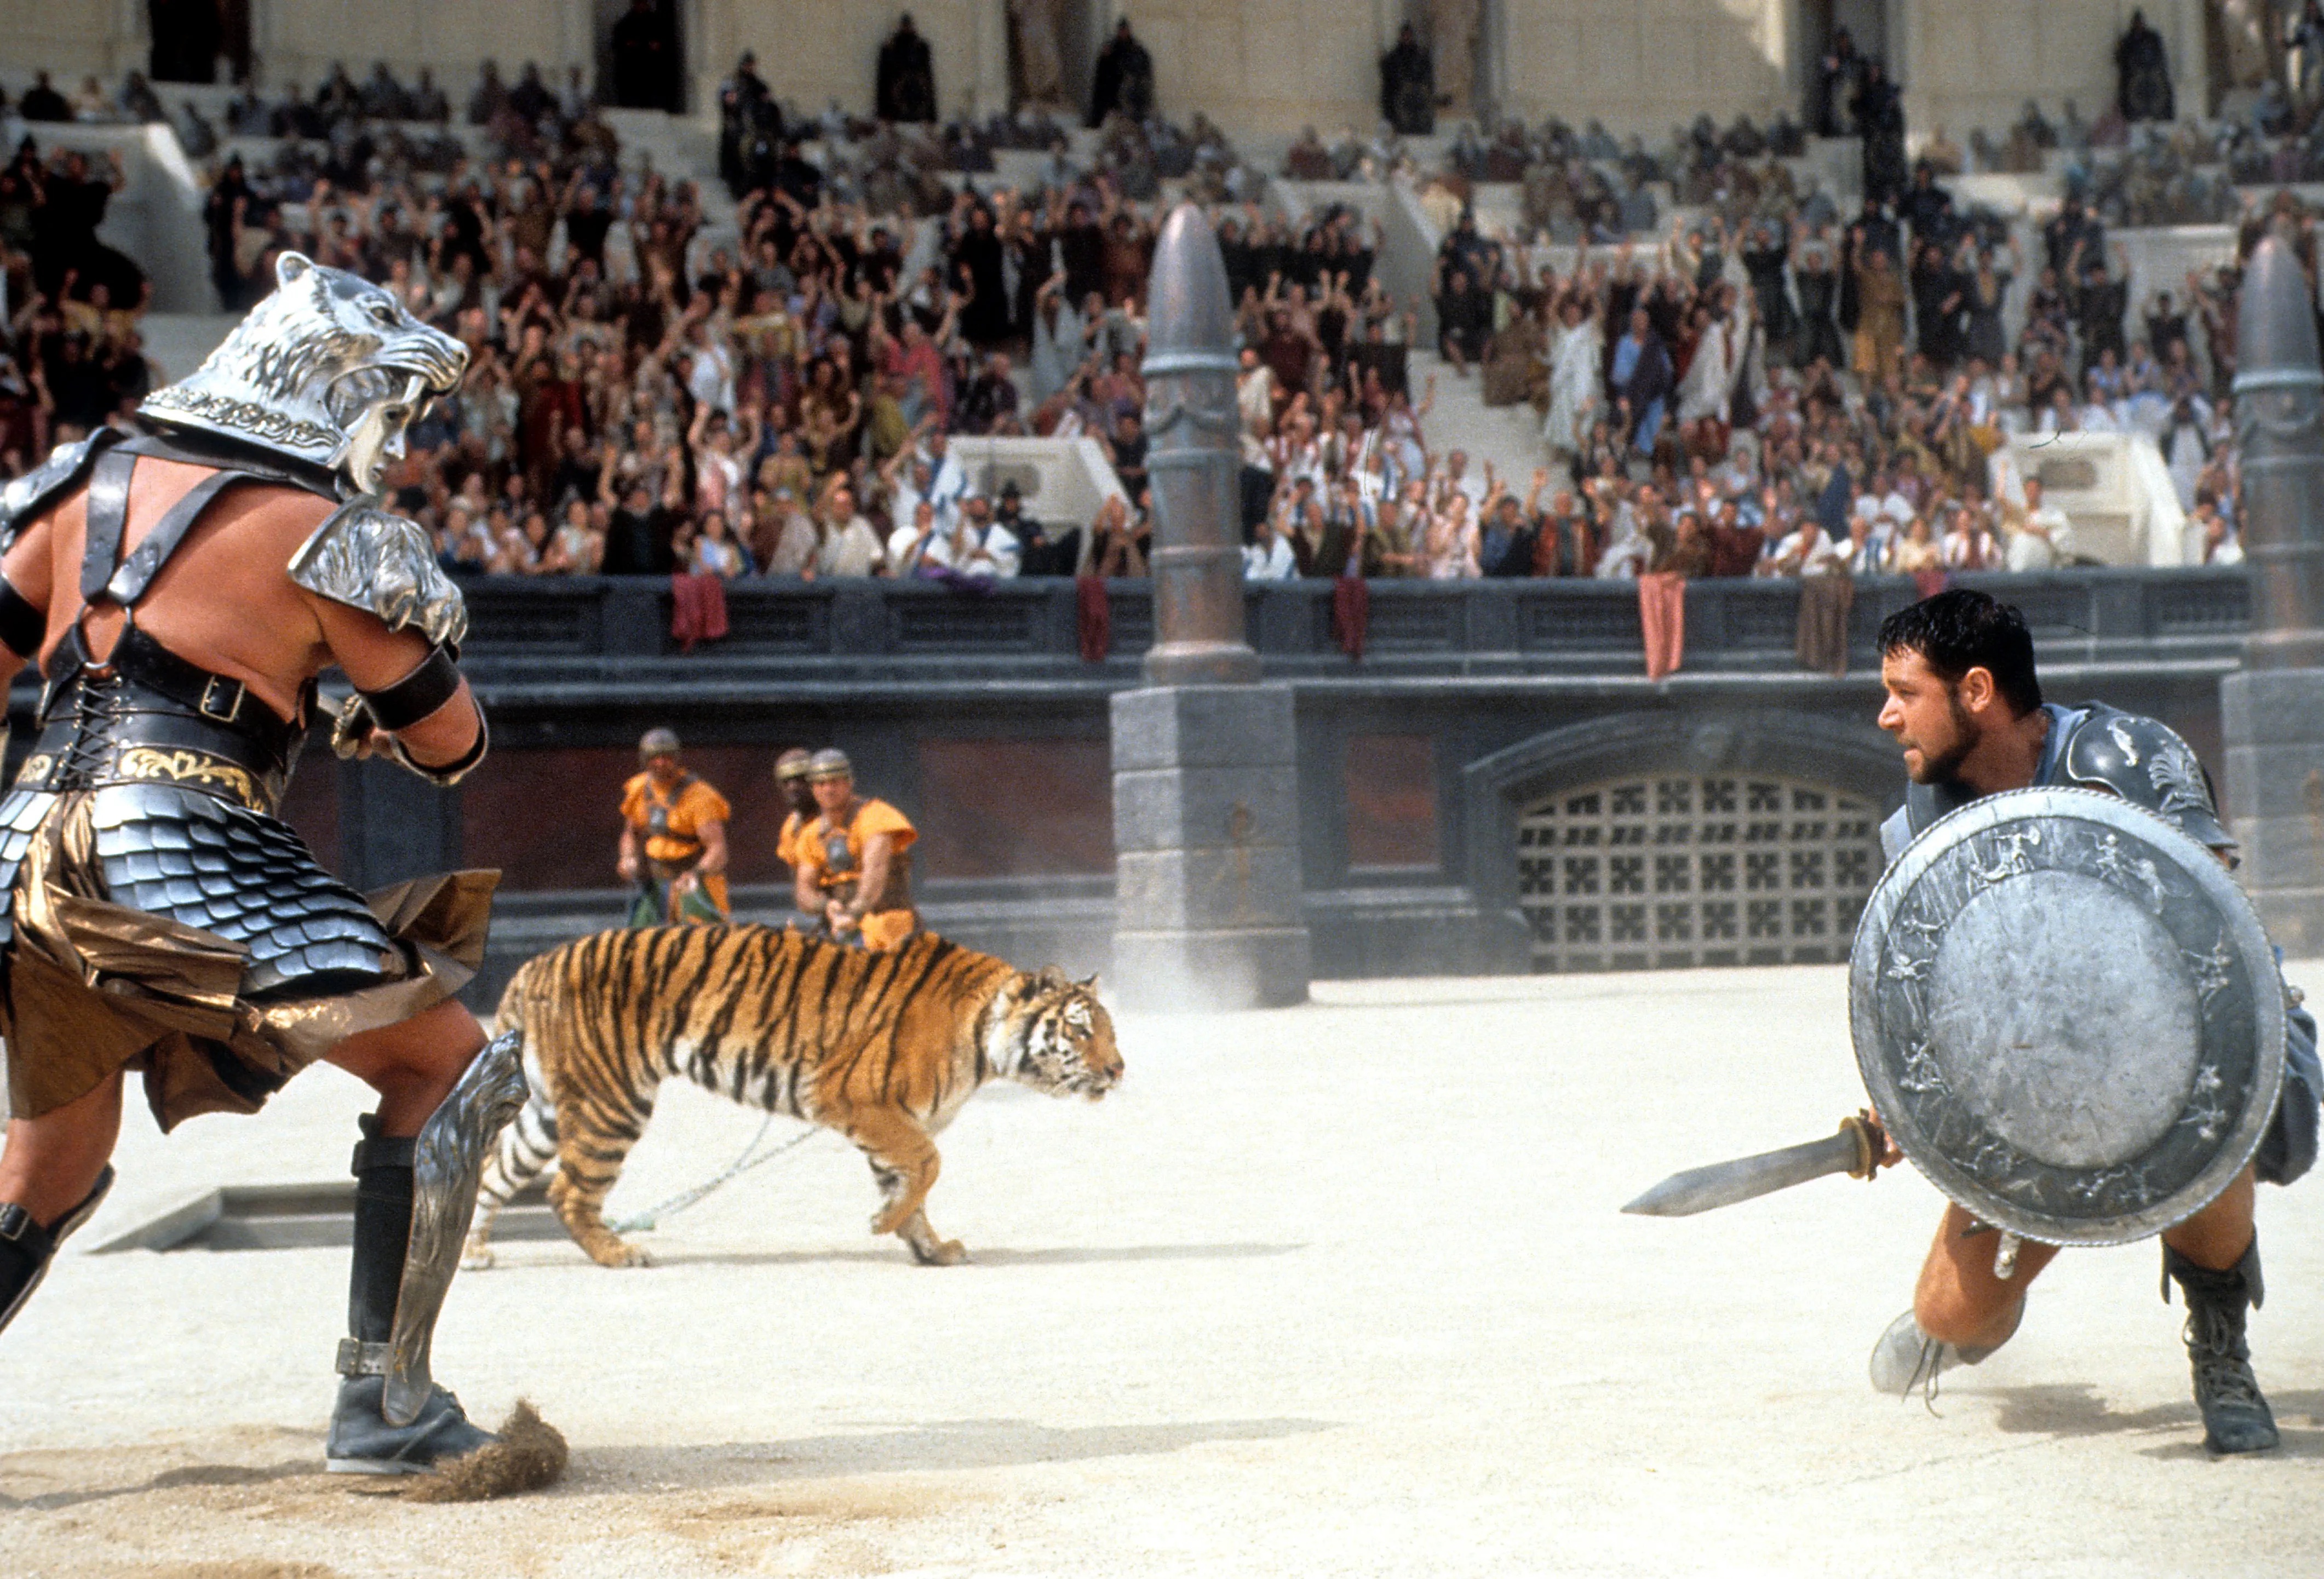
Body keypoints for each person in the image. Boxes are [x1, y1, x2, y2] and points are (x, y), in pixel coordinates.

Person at [0, 254, 543, 1481]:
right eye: (390, 410)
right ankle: (389, 1408)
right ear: (340, 391)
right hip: (179, 840)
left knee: (48, 1168)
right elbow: (449, 741)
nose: (392, 442)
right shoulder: (320, 532)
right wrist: (363, 709)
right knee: (454, 1067)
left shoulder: (64, 491)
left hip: (25, 846)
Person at [1866, 590, 2320, 1454]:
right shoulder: (1927, 812)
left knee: (2213, 1118)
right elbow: (1922, 992)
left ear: (1973, 690)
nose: (1884, 714)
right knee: (1950, 1307)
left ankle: (2219, 1346)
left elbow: (2215, 934)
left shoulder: (2124, 757)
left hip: (2190, 1047)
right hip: (2034, 1089)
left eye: (1901, 690)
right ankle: (1963, 1328)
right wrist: (1906, 1106)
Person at [791, 750, 919, 951]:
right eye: (821, 784)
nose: (828, 789)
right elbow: (804, 891)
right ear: (813, 789)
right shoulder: (811, 834)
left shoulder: (876, 816)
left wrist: (854, 913)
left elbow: (874, 875)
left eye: (835, 782)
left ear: (849, 782)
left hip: (885, 922)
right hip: (837, 926)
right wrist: (826, 907)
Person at [618, 728, 732, 925]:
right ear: (644, 759)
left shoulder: (701, 797)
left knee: (702, 942)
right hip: (657, 882)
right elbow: (632, 832)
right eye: (654, 757)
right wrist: (628, 858)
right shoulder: (639, 789)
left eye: (667, 757)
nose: (661, 763)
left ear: (677, 758)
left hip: (695, 883)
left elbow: (718, 850)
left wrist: (697, 874)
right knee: (640, 941)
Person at [1088, 17, 1154, 127]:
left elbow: (1145, 77)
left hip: (1132, 100)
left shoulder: (1137, 51)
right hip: (1113, 100)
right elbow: (1101, 81)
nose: (1123, 33)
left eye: (1125, 30)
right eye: (1121, 30)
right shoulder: (1110, 51)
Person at [876, 13, 938, 123]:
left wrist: (930, 115)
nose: (907, 28)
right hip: (895, 108)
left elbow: (927, 77)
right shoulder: (891, 47)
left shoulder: (920, 47)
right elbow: (884, 80)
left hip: (916, 99)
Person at [2005, 475, 2075, 571]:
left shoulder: (2054, 515)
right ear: (2024, 491)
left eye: (2035, 490)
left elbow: (2064, 539)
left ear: (2040, 492)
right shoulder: (2018, 513)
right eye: (2029, 490)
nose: (2032, 493)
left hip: (2042, 569)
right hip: (2018, 567)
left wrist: (2042, 532)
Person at [1379, 22, 1433, 136]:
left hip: (1417, 96)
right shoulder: (1393, 58)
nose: (1407, 38)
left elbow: (1427, 77)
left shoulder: (1421, 56)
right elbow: (1388, 80)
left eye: (1409, 35)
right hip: (1398, 96)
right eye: (1405, 35)